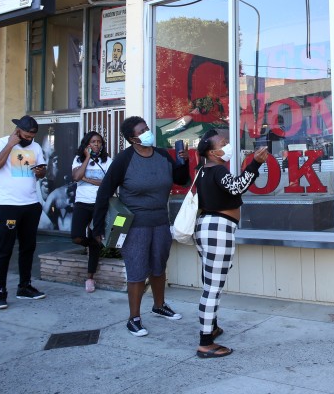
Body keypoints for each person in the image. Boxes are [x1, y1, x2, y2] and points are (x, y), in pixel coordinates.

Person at [93, 116, 189, 337]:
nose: (148, 132)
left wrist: (184, 161)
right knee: (137, 270)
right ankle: (133, 318)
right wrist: (97, 227)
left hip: (161, 222)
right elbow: (104, 192)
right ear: (132, 138)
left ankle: (159, 305)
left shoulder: (163, 155)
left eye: (147, 128)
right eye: (143, 130)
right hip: (135, 225)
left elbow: (181, 180)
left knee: (158, 266)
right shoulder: (124, 160)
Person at [194, 129, 268, 358]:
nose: (227, 146)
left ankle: (212, 327)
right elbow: (237, 186)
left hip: (206, 228)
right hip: (218, 229)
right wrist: (254, 164)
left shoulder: (202, 171)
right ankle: (205, 342)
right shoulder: (216, 170)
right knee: (212, 288)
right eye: (223, 143)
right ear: (212, 151)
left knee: (210, 281)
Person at [0, 116, 49, 310]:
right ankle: (0, 291)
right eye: (27, 134)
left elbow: (42, 171)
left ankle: (24, 286)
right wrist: (10, 145)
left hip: (30, 204)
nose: (30, 138)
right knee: (5, 249)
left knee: (28, 248)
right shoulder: (0, 144)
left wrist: (40, 172)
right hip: (8, 205)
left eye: (33, 135)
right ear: (18, 130)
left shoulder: (36, 147)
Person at [70, 131, 112, 293]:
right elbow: (76, 177)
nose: (96, 145)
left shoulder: (107, 161)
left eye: (99, 142)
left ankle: (90, 278)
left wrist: (85, 179)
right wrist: (87, 158)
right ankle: (93, 243)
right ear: (87, 144)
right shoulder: (78, 159)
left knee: (96, 237)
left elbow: (107, 183)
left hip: (99, 204)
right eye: (93, 142)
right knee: (76, 237)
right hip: (82, 203)